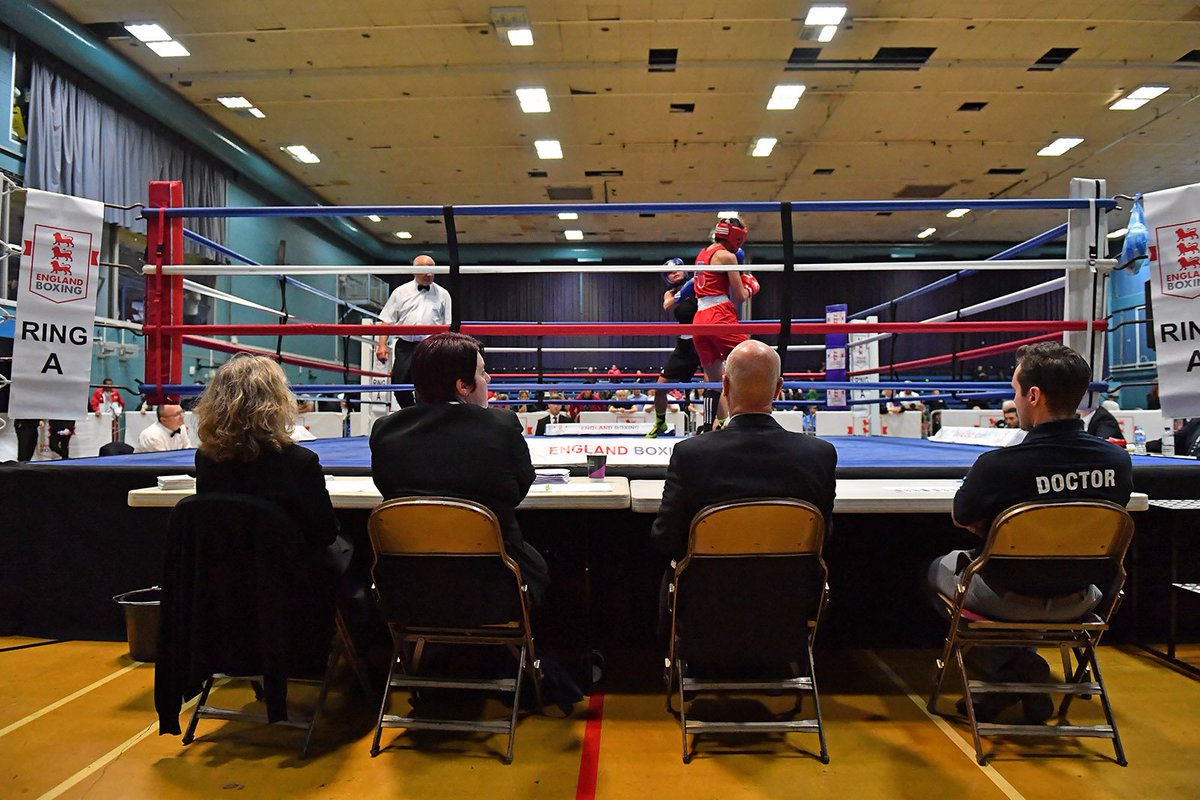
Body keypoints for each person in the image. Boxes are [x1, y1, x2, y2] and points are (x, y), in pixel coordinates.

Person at [927, 342, 1133, 724]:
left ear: (1034, 396)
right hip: (1082, 598)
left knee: (936, 571)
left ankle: (1015, 670)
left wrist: (1001, 525)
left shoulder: (1001, 465)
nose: (1015, 401)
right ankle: (1021, 670)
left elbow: (963, 516)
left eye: (1016, 392)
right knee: (1033, 565)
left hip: (1005, 596)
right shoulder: (1117, 462)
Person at [370, 332, 548, 605]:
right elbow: (519, 487)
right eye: (482, 372)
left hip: (409, 591)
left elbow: (387, 488)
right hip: (495, 588)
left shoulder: (385, 430)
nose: (488, 379)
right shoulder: (500, 425)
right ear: (463, 385)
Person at [651, 340, 838, 562]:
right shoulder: (820, 455)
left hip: (708, 592)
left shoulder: (690, 455)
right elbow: (823, 537)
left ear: (725, 386)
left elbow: (665, 539)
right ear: (778, 388)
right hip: (792, 592)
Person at [193, 354, 352, 577]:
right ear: (277, 402)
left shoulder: (206, 459)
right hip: (287, 581)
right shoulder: (299, 462)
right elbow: (325, 533)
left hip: (226, 577)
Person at [690, 216, 758, 428]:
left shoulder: (703, 253)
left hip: (699, 317)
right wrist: (752, 286)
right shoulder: (728, 257)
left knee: (713, 378)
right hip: (720, 315)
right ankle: (745, 423)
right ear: (737, 236)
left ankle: (718, 424)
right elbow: (740, 295)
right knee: (749, 361)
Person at [375, 255, 451, 409]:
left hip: (430, 347)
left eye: (432, 270)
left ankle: (422, 420)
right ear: (414, 271)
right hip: (405, 346)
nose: (429, 274)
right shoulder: (400, 292)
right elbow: (387, 320)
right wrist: (381, 345)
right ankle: (411, 415)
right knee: (399, 386)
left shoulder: (443, 294)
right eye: (425, 270)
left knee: (427, 387)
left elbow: (447, 326)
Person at [648, 261, 700, 438]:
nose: (674, 273)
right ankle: (660, 423)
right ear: (667, 278)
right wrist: (681, 293)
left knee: (715, 384)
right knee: (660, 387)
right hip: (684, 345)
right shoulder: (670, 293)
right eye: (670, 272)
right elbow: (667, 305)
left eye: (676, 269)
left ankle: (721, 424)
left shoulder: (698, 284)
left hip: (704, 340)